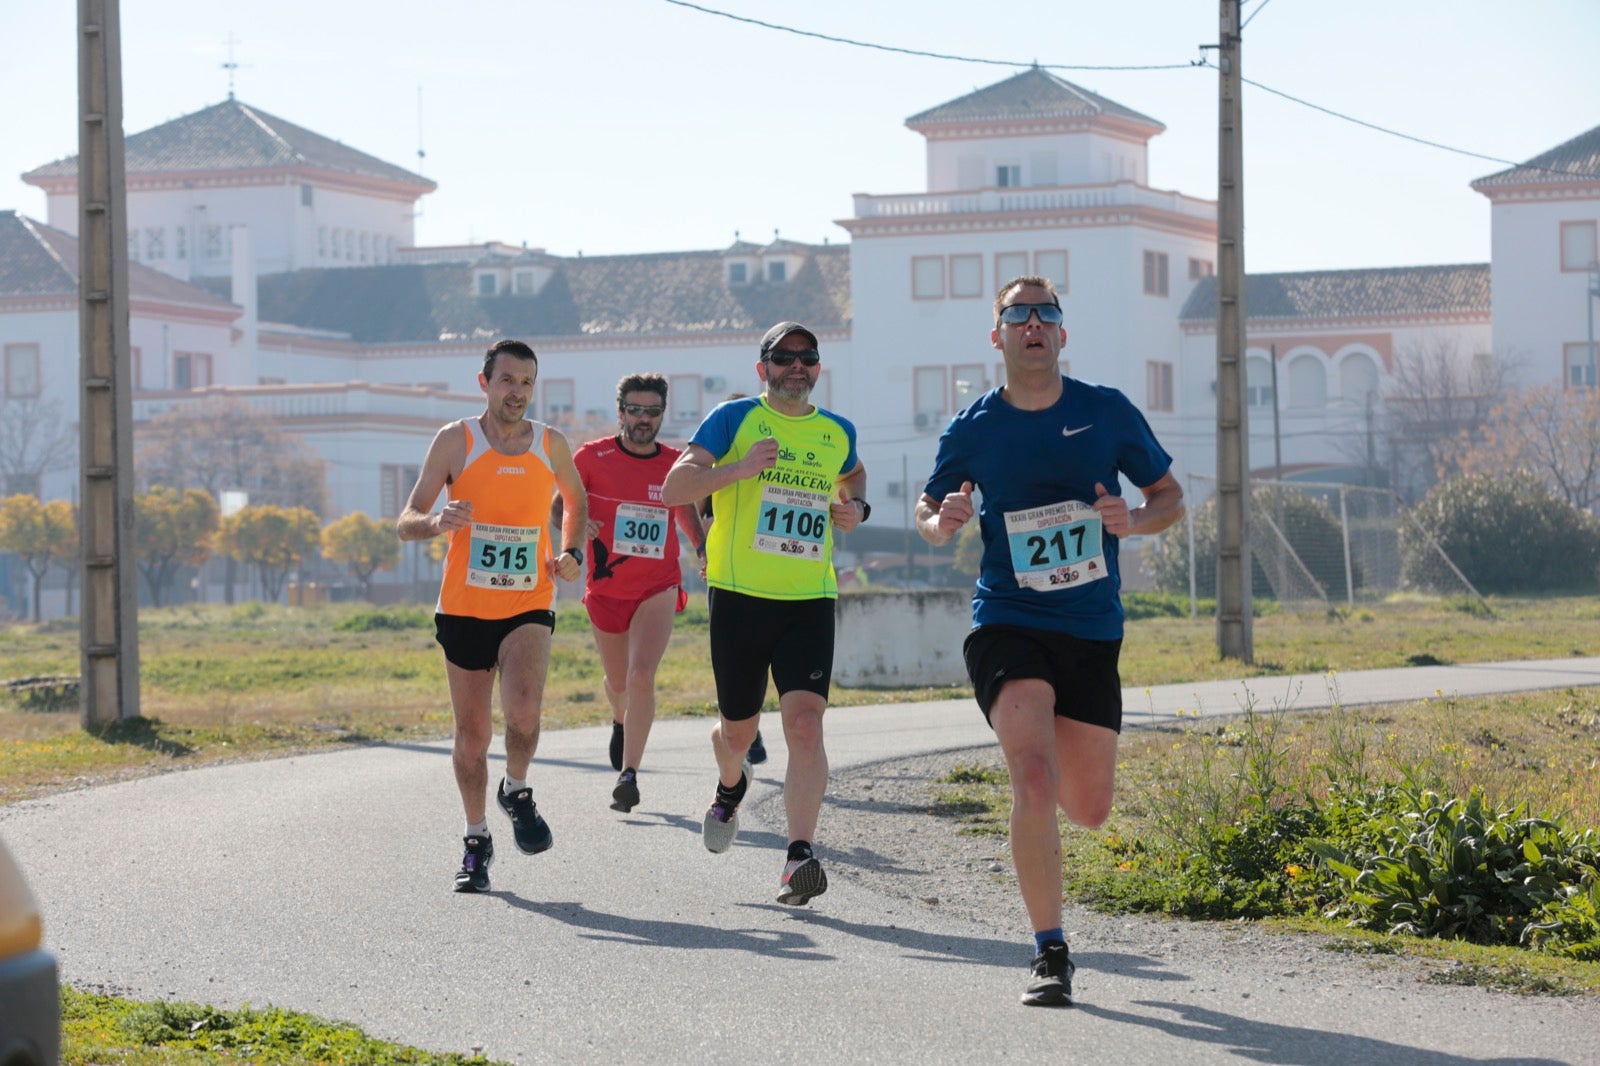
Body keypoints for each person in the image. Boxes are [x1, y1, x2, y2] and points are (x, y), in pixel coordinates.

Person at [914, 277, 1184, 1006]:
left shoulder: (1105, 411)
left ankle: (1049, 842)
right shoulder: (972, 427)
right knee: (1033, 777)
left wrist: (1133, 519)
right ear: (996, 335)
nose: (1033, 323)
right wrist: (946, 521)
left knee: (1089, 806)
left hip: (1092, 627)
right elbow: (929, 510)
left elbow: (1169, 498)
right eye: (1018, 314)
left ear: (1062, 334)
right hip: (1007, 619)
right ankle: (1050, 951)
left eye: (1047, 313)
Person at [662, 321, 868, 906]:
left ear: (818, 368)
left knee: (805, 725)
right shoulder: (733, 419)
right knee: (738, 731)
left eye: (806, 357)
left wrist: (854, 507)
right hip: (739, 594)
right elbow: (676, 488)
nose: (795, 365)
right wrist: (738, 470)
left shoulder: (836, 432)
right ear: (763, 369)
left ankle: (798, 855)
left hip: (809, 596)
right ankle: (731, 787)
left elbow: (852, 476)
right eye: (783, 357)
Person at [398, 338, 588, 894]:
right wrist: (437, 522)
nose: (518, 392)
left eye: (527, 382)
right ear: (484, 383)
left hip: (529, 598)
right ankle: (476, 838)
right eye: (508, 380)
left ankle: (518, 788)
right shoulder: (455, 441)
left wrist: (572, 551)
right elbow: (406, 519)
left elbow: (576, 502)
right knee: (471, 736)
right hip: (463, 606)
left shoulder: (551, 444)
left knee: (525, 711)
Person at [556, 373, 706, 813]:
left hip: (657, 585)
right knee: (619, 681)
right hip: (605, 587)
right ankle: (620, 720)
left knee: (641, 677)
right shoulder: (591, 457)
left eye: (652, 412)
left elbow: (684, 513)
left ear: (663, 414)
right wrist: (579, 526)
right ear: (620, 412)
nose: (644, 419)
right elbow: (560, 503)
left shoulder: (677, 464)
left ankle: (630, 774)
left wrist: (701, 547)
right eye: (635, 410)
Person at [695, 391, 766, 767]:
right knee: (736, 662)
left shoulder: (774, 461)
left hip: (774, 575)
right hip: (729, 577)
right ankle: (744, 729)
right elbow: (700, 513)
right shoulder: (717, 464)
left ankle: (752, 728)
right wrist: (704, 551)